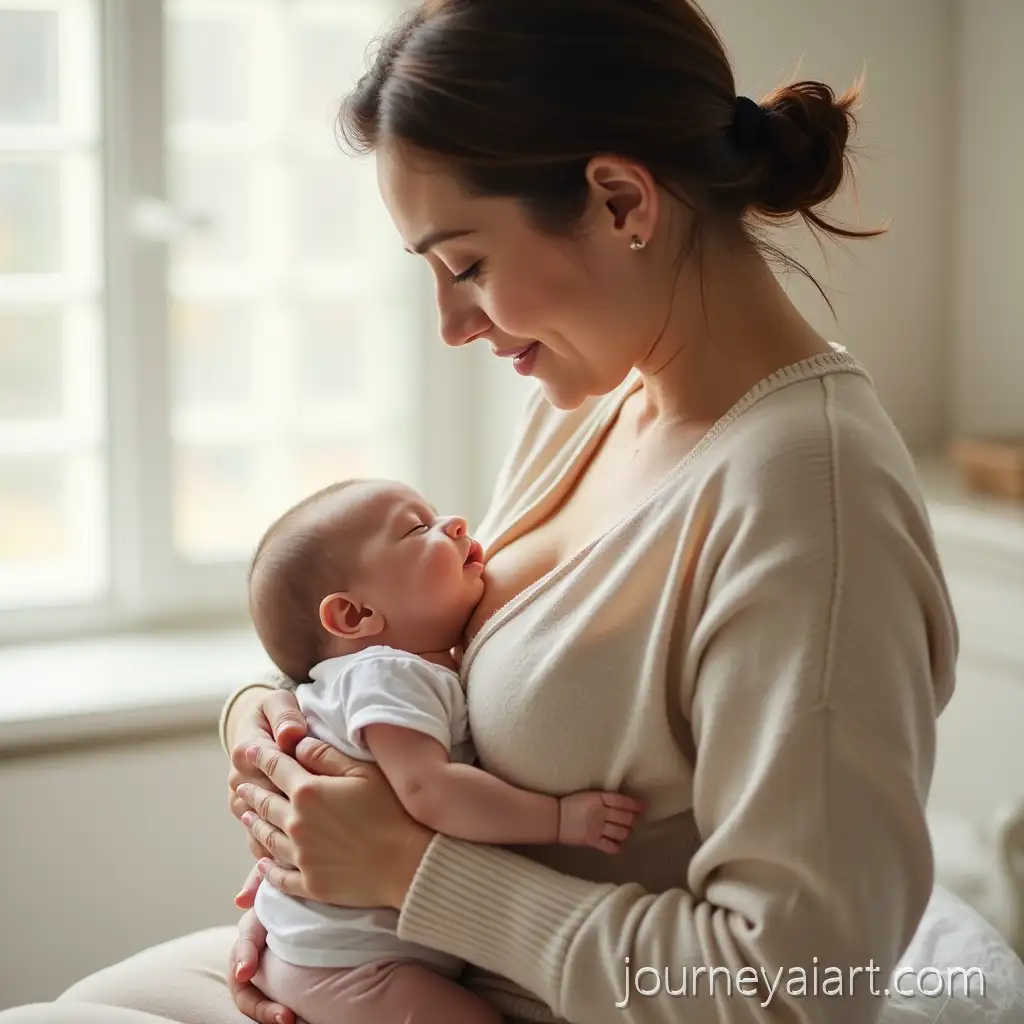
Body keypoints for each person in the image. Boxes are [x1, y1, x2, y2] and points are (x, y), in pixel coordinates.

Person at [10, 0, 1014, 1021]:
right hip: (405, 966)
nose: (451, 325)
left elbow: (794, 986)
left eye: (468, 266)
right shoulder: (591, 405)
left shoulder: (808, 501)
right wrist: (273, 730)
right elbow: (433, 658)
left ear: (622, 200)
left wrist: (409, 870)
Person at [241, 478, 642, 1024]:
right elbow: (429, 791)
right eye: (416, 529)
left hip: (309, 947)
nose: (455, 523)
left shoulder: (366, 678)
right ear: (356, 616)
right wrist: (558, 818)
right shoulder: (390, 673)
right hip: (352, 966)